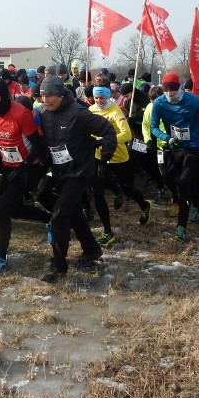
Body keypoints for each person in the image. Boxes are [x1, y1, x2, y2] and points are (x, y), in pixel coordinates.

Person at [0, 79, 50, 273]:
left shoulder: (20, 113)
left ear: (4, 97)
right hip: (8, 165)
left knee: (2, 210)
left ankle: (1, 258)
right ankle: (51, 220)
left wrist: (23, 166)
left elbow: (38, 146)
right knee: (16, 210)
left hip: (27, 167)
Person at [38, 75, 115, 283]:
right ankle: (91, 248)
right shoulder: (44, 112)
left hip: (80, 171)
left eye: (51, 95)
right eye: (43, 96)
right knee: (47, 197)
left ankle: (58, 267)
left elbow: (107, 129)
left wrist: (104, 157)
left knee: (60, 215)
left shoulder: (78, 113)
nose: (47, 100)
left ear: (61, 94)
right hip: (59, 169)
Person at [149, 71, 199, 243]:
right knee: (167, 177)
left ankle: (181, 226)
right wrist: (166, 138)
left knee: (185, 182)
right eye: (166, 91)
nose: (170, 94)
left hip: (194, 147)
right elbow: (153, 127)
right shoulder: (159, 103)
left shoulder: (194, 100)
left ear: (179, 87)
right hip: (175, 147)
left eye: (173, 90)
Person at [88, 78, 152, 247]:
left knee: (128, 189)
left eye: (102, 98)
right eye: (96, 98)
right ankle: (108, 232)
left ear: (108, 96)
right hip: (99, 156)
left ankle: (144, 205)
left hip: (119, 157)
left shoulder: (116, 112)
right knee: (98, 192)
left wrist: (104, 140)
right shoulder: (91, 110)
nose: (99, 102)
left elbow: (127, 135)